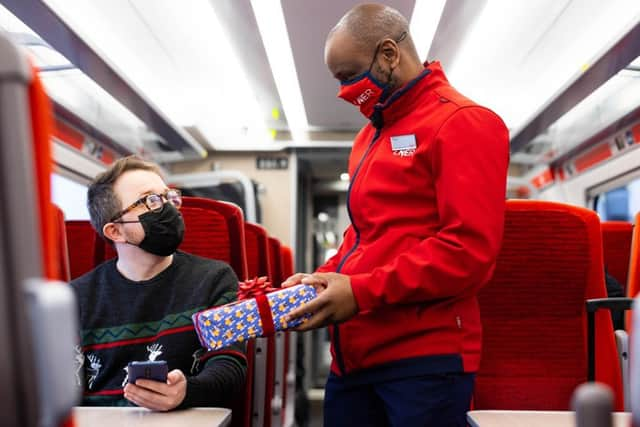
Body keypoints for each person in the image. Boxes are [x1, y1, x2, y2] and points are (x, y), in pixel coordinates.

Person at [284, 3, 509, 426]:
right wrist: (323, 279)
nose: (344, 92)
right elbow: (365, 238)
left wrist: (361, 293)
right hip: (354, 360)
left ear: (389, 54)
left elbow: (468, 252)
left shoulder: (463, 123)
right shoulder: (369, 136)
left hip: (423, 362)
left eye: (349, 76)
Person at [71, 156, 246, 410]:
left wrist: (187, 391)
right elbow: (62, 393)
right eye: (151, 201)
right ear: (115, 231)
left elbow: (230, 368)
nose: (168, 208)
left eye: (168, 197)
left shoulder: (215, 280)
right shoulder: (75, 298)